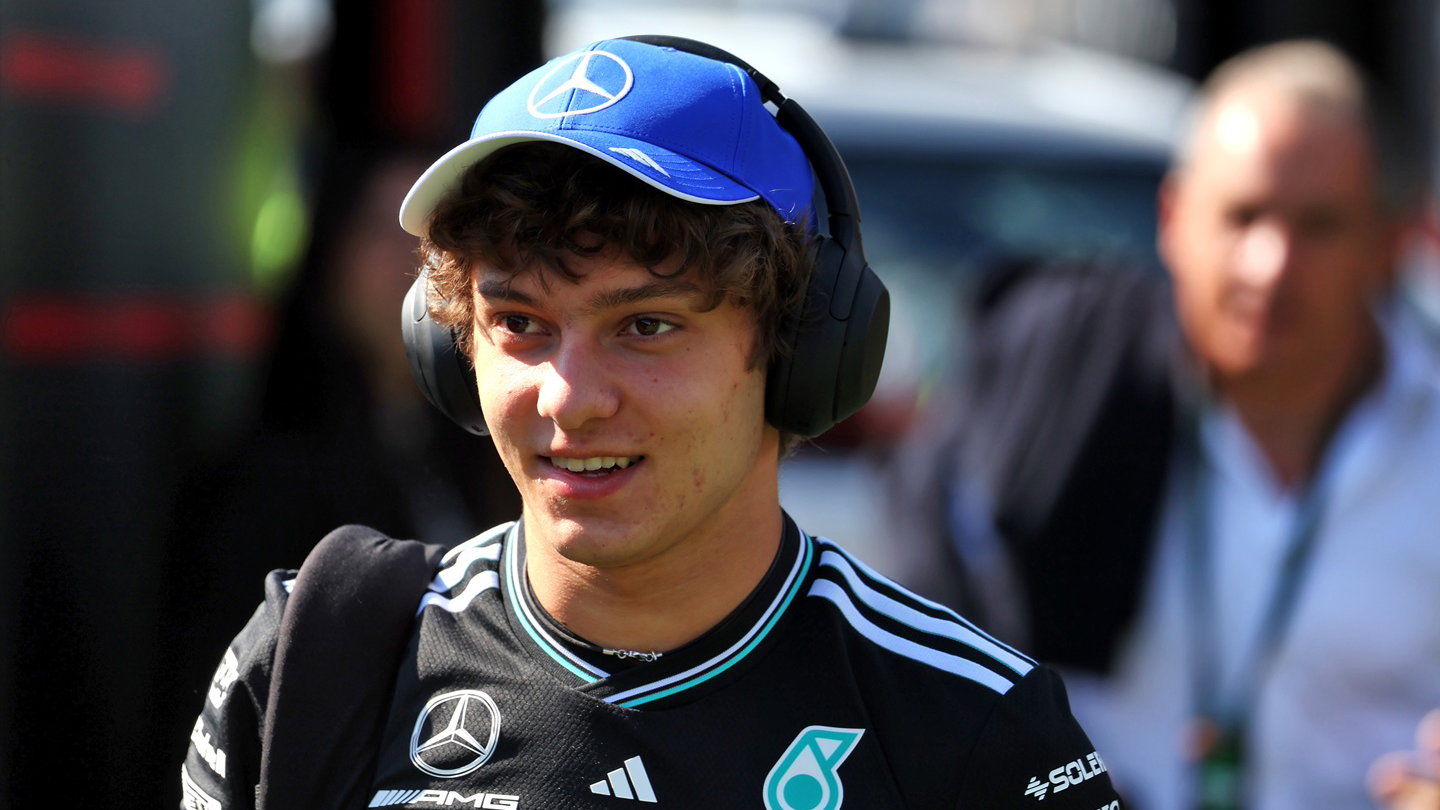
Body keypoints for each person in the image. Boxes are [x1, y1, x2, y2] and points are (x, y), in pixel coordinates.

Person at [179, 36, 1121, 810]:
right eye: (520, 324)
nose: (569, 398)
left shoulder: (972, 730)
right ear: (450, 347)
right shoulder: (316, 661)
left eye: (646, 326)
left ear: (799, 350)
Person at [886, 38, 1440, 810]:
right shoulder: (1065, 393)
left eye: (1318, 225)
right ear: (1174, 220)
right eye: (1243, 216)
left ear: (1389, 245)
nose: (1270, 265)